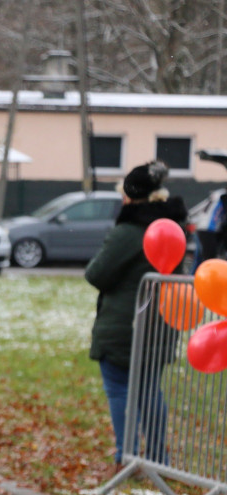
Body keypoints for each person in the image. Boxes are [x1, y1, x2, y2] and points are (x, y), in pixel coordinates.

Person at [85, 160, 188, 467]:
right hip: (161, 324)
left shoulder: (129, 231)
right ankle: (158, 459)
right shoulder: (172, 228)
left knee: (119, 389)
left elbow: (96, 274)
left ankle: (125, 458)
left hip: (124, 327)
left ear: (128, 196)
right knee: (149, 390)